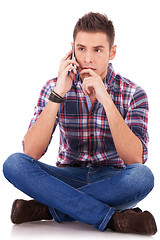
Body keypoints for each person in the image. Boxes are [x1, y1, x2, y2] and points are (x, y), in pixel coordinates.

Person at [3, 12, 157, 235]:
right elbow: (31, 152)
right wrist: (58, 94)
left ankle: (48, 208)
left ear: (112, 52)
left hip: (113, 178)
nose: (87, 58)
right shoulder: (54, 87)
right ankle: (114, 219)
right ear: (72, 49)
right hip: (66, 176)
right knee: (13, 164)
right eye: (81, 48)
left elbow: (135, 159)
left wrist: (105, 98)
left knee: (143, 177)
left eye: (97, 50)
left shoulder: (134, 93)